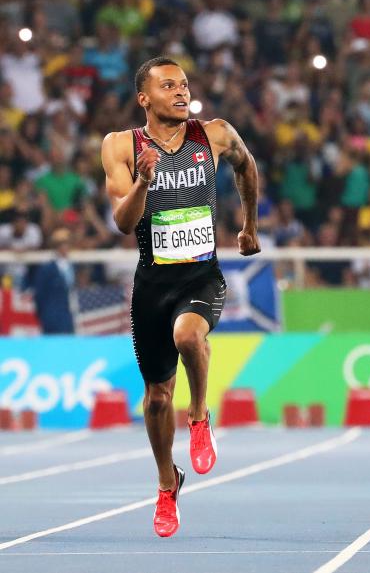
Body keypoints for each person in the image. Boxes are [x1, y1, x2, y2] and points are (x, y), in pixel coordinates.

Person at [101, 57, 260, 537]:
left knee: (190, 336)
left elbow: (247, 167)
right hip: (152, 283)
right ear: (143, 98)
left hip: (201, 277)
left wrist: (250, 225)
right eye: (168, 85)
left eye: (184, 84)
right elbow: (124, 222)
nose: (180, 91)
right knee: (154, 399)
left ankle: (199, 415)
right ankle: (168, 483)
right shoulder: (120, 146)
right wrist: (146, 181)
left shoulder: (212, 134)